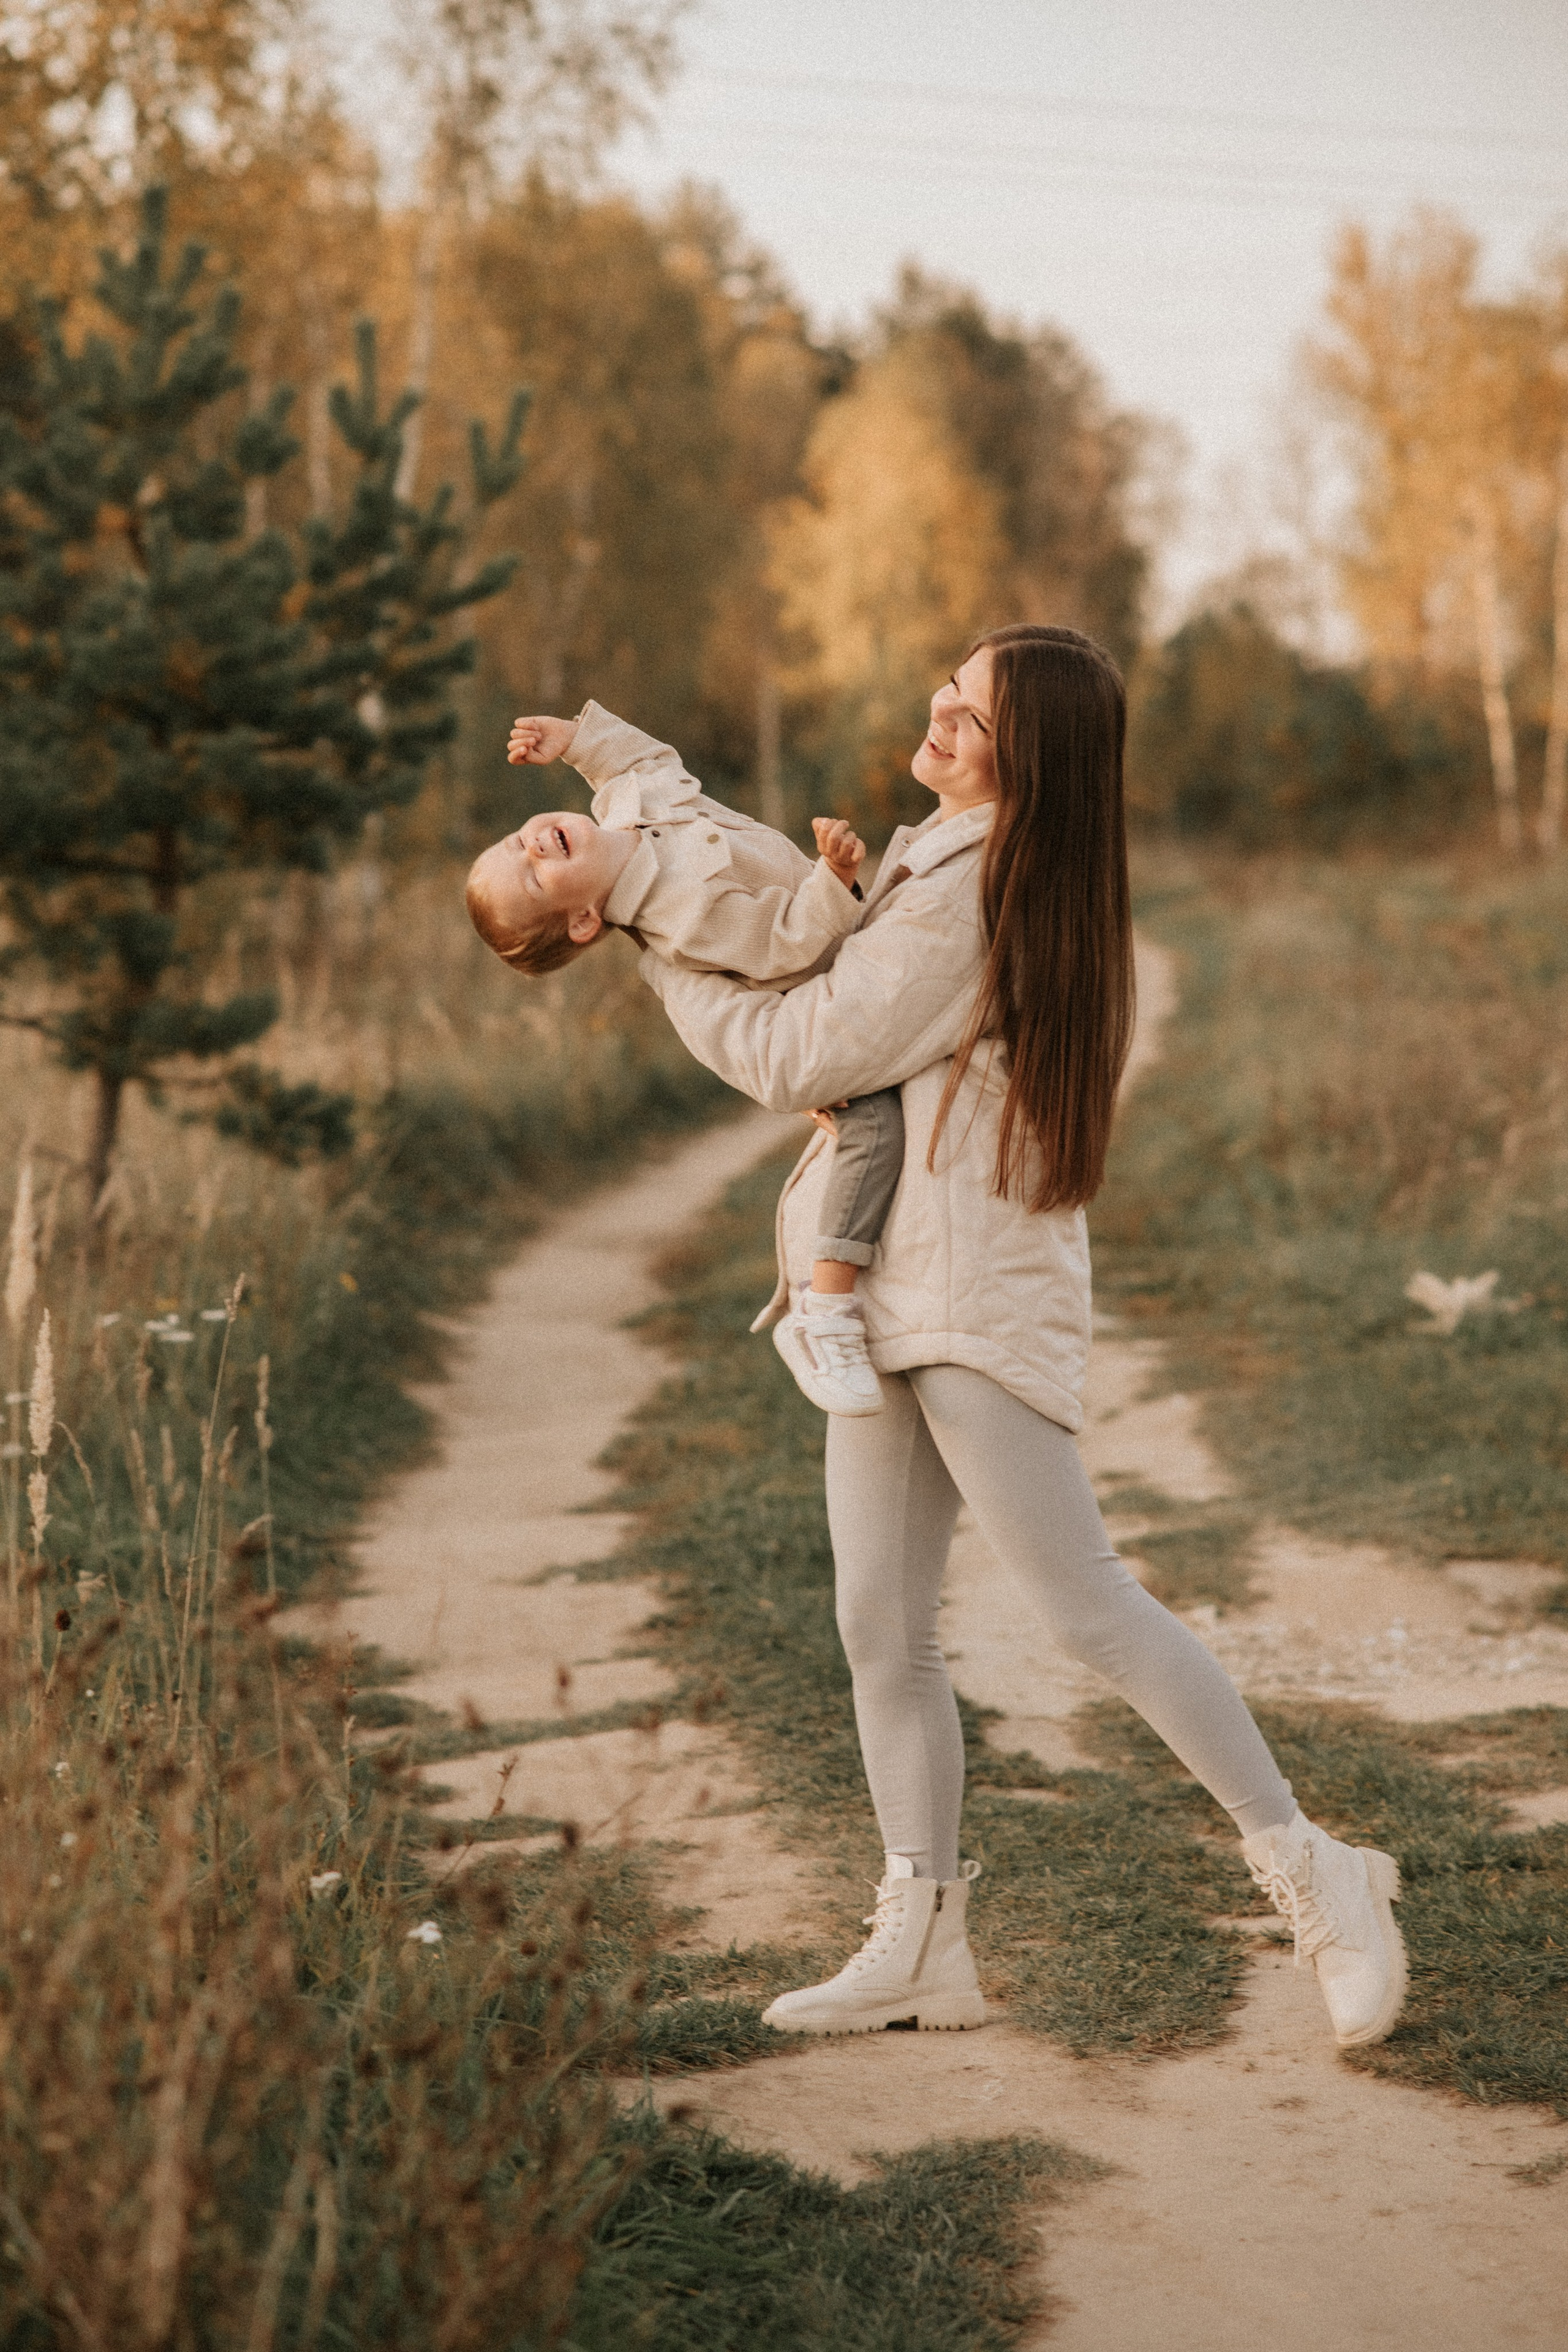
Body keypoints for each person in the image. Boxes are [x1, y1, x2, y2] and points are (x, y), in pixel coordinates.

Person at [635, 624, 1409, 2049]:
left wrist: (645, 933)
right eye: (942, 689)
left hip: (968, 1284)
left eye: (967, 713)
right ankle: (919, 1934)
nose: (933, 716)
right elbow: (827, 1017)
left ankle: (1316, 1872)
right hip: (879, 1286)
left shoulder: (973, 881)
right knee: (877, 1622)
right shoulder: (939, 860)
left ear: (1025, 755)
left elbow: (806, 1051)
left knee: (1083, 1608)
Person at [464, 699, 900, 1414]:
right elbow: (781, 940)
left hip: (853, 938)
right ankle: (826, 1309)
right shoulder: (680, 920)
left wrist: (574, 740)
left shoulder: (628, 806)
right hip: (825, 974)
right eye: (534, 876)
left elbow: (643, 759)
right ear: (582, 921)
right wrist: (833, 880)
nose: (534, 846)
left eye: (519, 842)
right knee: (873, 1127)